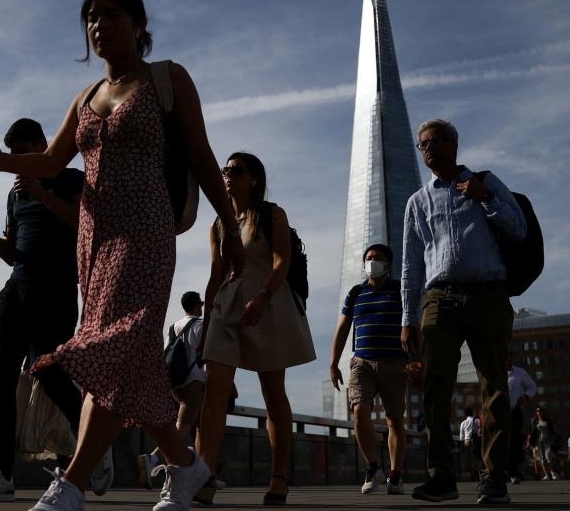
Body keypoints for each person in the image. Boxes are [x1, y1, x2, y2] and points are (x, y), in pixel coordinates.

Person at [0, 0, 245, 511]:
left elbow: (203, 156)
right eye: (91, 18)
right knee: (132, 358)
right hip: (93, 240)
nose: (99, 25)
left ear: (140, 25)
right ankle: (186, 469)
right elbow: (52, 162)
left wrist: (230, 230)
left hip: (146, 232)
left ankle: (71, 483)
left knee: (116, 343)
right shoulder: (86, 98)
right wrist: (2, 162)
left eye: (111, 15)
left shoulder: (167, 79)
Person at [0, 118, 90, 502]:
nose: (16, 162)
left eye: (22, 154)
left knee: (49, 373)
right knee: (2, 376)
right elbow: (12, 252)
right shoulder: (14, 194)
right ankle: (2, 473)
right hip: (16, 287)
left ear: (41, 144)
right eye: (12, 156)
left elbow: (82, 223)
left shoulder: (71, 179)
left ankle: (92, 449)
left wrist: (41, 191)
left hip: (55, 289)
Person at [400, 119, 527, 505]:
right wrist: (407, 318)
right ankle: (441, 476)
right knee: (436, 385)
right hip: (439, 298)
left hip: (488, 295)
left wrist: (485, 196)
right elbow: (411, 266)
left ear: (455, 145)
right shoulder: (417, 202)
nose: (429, 149)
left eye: (437, 141)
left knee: (494, 386)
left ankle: (494, 476)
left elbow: (518, 228)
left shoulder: (486, 181)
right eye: (423, 144)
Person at [195, 152, 317, 506]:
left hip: (266, 303)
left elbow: (282, 261)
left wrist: (263, 296)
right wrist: (206, 322)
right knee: (214, 391)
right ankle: (204, 476)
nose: (228, 175)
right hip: (227, 306)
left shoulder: (271, 214)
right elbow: (216, 273)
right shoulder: (219, 223)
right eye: (225, 170)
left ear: (255, 179)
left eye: (236, 170)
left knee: (272, 392)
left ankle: (279, 475)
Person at [330, 243, 409, 495]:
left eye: (377, 258)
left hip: (395, 363)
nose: (371, 261)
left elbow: (413, 324)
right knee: (359, 412)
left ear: (389, 265)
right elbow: (343, 329)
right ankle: (373, 468)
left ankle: (395, 475)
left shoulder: (401, 291)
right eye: (368, 258)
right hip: (362, 362)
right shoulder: (355, 293)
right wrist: (333, 362)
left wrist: (417, 358)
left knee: (394, 421)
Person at [138, 291, 207, 486]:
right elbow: (205, 355)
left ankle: (204, 475)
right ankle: (152, 459)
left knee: (198, 425)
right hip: (193, 382)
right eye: (200, 305)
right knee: (183, 429)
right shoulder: (200, 326)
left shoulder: (173, 327)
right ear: (197, 306)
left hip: (175, 383)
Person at [505, 353, 537, 485]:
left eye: (507, 357)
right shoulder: (495, 372)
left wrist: (525, 397)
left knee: (514, 442)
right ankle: (502, 472)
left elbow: (532, 387)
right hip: (499, 412)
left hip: (514, 412)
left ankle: (513, 472)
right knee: (502, 442)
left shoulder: (519, 372)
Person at [531, 407, 558, 480]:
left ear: (543, 412)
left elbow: (552, 431)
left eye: (540, 411)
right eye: (537, 411)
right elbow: (533, 432)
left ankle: (553, 473)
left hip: (547, 440)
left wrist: (554, 439)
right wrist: (532, 442)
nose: (538, 412)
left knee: (548, 456)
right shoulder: (535, 421)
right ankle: (547, 475)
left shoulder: (547, 420)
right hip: (539, 442)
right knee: (542, 459)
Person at [459, 408, 482, 477]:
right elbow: (480, 431)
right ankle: (476, 472)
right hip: (476, 442)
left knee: (468, 459)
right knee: (478, 459)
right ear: (472, 413)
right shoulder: (477, 421)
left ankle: (469, 473)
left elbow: (461, 438)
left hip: (467, 442)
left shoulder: (463, 423)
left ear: (465, 414)